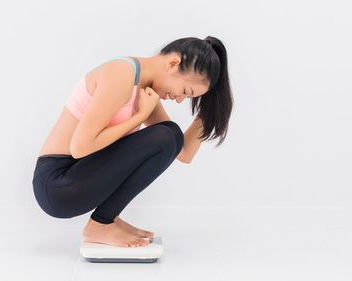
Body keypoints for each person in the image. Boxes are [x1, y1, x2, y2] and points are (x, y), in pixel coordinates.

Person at [32, 36, 233, 248]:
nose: (180, 99)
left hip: (78, 178)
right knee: (167, 134)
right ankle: (101, 224)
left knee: (169, 135)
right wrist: (139, 116)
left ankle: (107, 219)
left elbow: (181, 151)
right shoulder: (122, 74)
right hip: (57, 185)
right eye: (185, 91)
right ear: (173, 63)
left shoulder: (143, 89)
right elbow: (80, 147)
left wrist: (209, 113)